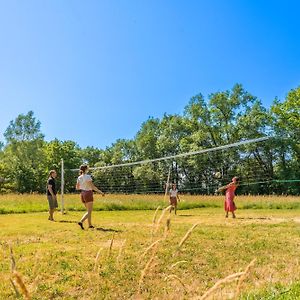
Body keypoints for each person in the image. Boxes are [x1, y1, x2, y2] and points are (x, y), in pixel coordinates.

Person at [76, 164, 104, 229]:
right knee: (89, 211)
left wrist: (83, 186)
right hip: (88, 193)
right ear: (85, 169)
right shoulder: (88, 177)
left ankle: (90, 225)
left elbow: (77, 188)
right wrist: (101, 192)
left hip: (82, 193)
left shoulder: (79, 177)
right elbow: (92, 187)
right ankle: (81, 221)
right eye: (87, 168)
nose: (88, 169)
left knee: (88, 211)